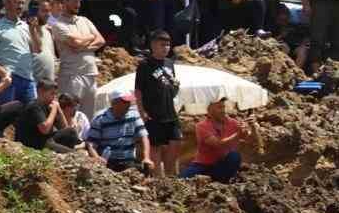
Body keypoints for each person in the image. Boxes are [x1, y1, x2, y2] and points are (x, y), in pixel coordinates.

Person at [48, 0, 105, 113]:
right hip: (72, 76)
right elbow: (75, 42)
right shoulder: (58, 25)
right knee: (69, 115)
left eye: (79, 1)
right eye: (74, 2)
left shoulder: (85, 20)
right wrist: (90, 37)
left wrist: (81, 47)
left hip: (90, 74)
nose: (78, 5)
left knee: (87, 118)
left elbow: (101, 40)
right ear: (64, 2)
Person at [134, 30, 181, 175]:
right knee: (155, 149)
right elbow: (138, 91)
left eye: (168, 45)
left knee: (174, 146)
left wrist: (176, 87)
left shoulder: (169, 63)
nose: (166, 48)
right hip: (153, 115)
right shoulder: (145, 65)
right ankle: (158, 183)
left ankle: (172, 181)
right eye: (162, 45)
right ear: (153, 45)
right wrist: (141, 112)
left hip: (171, 114)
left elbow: (172, 88)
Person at [0, 0, 40, 105]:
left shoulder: (26, 26)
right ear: (6, 3)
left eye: (22, 3)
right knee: (7, 118)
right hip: (9, 80)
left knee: (30, 119)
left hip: (28, 79)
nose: (20, 6)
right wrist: (5, 74)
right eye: (17, 2)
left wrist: (33, 30)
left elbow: (37, 50)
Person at [86, 90, 154, 172]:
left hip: (127, 162)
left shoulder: (133, 115)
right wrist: (97, 158)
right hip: (107, 163)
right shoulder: (100, 118)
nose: (128, 104)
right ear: (114, 103)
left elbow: (143, 136)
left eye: (129, 102)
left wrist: (146, 157)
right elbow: (91, 143)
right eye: (124, 102)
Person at [181, 96, 246, 181]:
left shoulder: (233, 123)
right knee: (182, 180)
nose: (223, 111)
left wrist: (253, 128)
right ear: (209, 110)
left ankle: (222, 181)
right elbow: (217, 144)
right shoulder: (201, 126)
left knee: (234, 156)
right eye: (219, 107)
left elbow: (249, 138)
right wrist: (238, 135)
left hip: (223, 165)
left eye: (223, 107)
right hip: (203, 165)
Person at [15, 79, 80, 151]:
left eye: (55, 94)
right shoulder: (35, 106)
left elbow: (64, 128)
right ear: (41, 92)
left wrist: (59, 110)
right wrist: (54, 110)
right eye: (52, 94)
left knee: (71, 132)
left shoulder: (48, 106)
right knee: (71, 153)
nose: (54, 97)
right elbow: (45, 129)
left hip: (46, 140)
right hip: (33, 143)